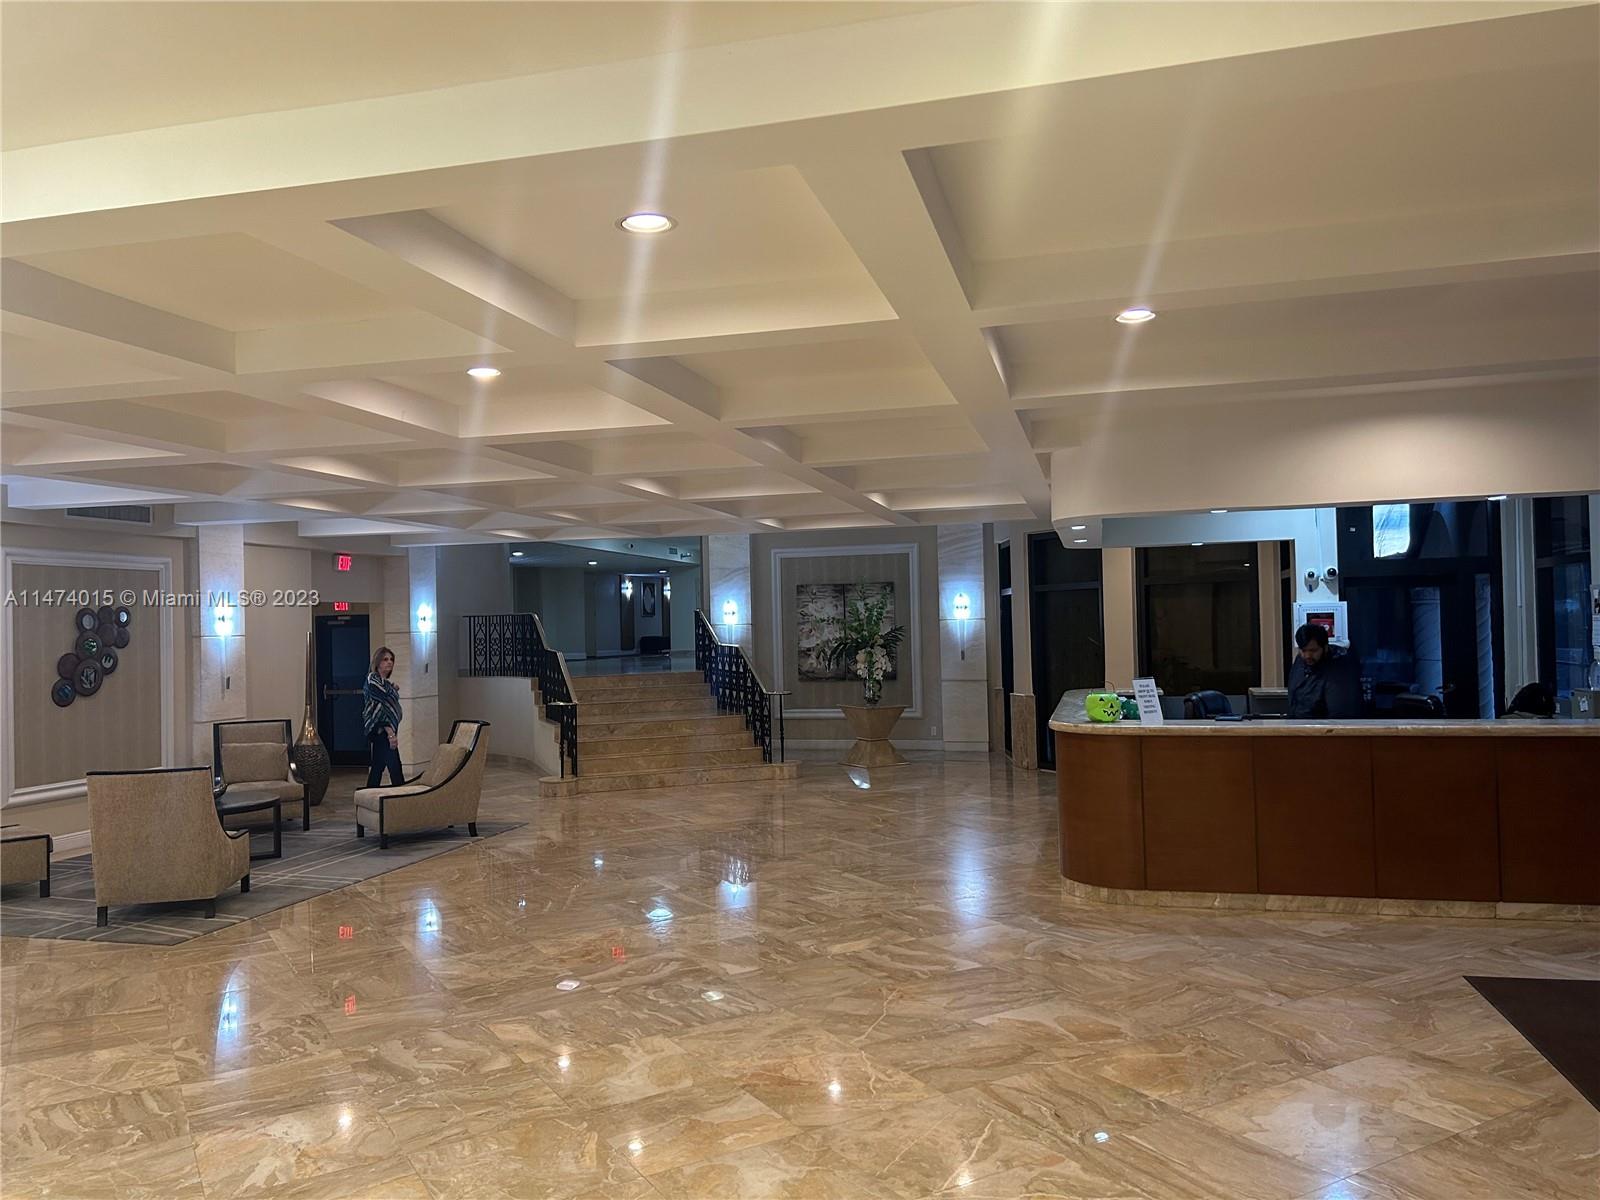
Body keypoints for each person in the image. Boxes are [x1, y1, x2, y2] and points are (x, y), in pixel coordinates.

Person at [1286, 623, 1363, 718]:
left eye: (1313, 651)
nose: (1307, 656)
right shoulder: (1301, 662)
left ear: (1325, 647)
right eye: (1303, 650)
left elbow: (1340, 713)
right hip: (1299, 723)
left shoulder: (1339, 669)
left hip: (1324, 725)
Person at [363, 646, 404, 787]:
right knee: (395, 768)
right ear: (378, 662)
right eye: (385, 659)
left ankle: (368, 795)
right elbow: (380, 708)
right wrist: (390, 733)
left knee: (377, 767)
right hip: (382, 731)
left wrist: (392, 688)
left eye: (391, 659)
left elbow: (388, 699)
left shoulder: (385, 683)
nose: (389, 662)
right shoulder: (373, 680)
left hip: (384, 731)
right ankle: (401, 797)